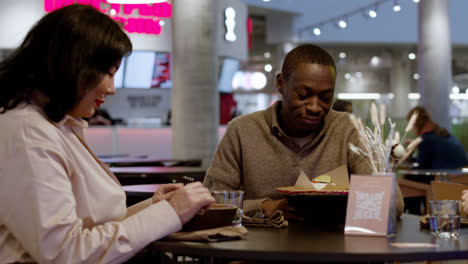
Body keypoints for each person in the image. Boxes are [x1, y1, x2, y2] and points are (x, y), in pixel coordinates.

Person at [0, 5, 214, 264]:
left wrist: (154, 207)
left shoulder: (55, 125)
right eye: (109, 73)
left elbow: (92, 227)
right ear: (73, 66)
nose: (112, 88)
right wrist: (170, 212)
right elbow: (65, 253)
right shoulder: (28, 134)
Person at [204, 44, 404, 220]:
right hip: (260, 254)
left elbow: (392, 205)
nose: (315, 107)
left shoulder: (349, 130)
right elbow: (211, 201)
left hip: (333, 253)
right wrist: (265, 207)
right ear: (281, 84)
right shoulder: (242, 130)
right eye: (303, 95)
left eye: (326, 97)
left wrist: (336, 207)